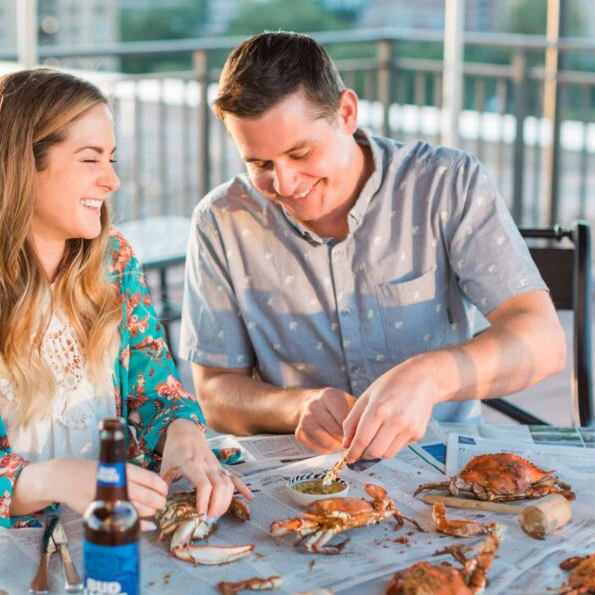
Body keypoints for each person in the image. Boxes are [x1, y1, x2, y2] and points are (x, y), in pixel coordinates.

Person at [0, 69, 249, 574]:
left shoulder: (113, 260)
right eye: (90, 160)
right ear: (20, 166)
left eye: (111, 159)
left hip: (104, 534)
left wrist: (183, 432)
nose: (112, 179)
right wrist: (61, 478)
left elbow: (155, 389)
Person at [180, 31, 567, 465]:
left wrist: (432, 376)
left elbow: (544, 340)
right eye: (260, 164)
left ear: (346, 113)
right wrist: (295, 407)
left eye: (301, 153)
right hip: (303, 472)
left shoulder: (446, 183)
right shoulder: (220, 220)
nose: (285, 184)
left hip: (440, 462)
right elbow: (213, 391)